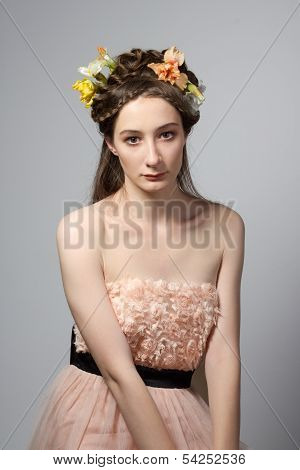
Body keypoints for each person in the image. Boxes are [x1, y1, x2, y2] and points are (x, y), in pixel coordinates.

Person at [28, 45, 249, 450]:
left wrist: (224, 457)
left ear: (185, 133)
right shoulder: (80, 230)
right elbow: (117, 373)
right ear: (111, 144)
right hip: (97, 419)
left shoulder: (226, 226)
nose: (153, 157)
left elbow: (223, 356)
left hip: (185, 413)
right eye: (132, 139)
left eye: (167, 134)